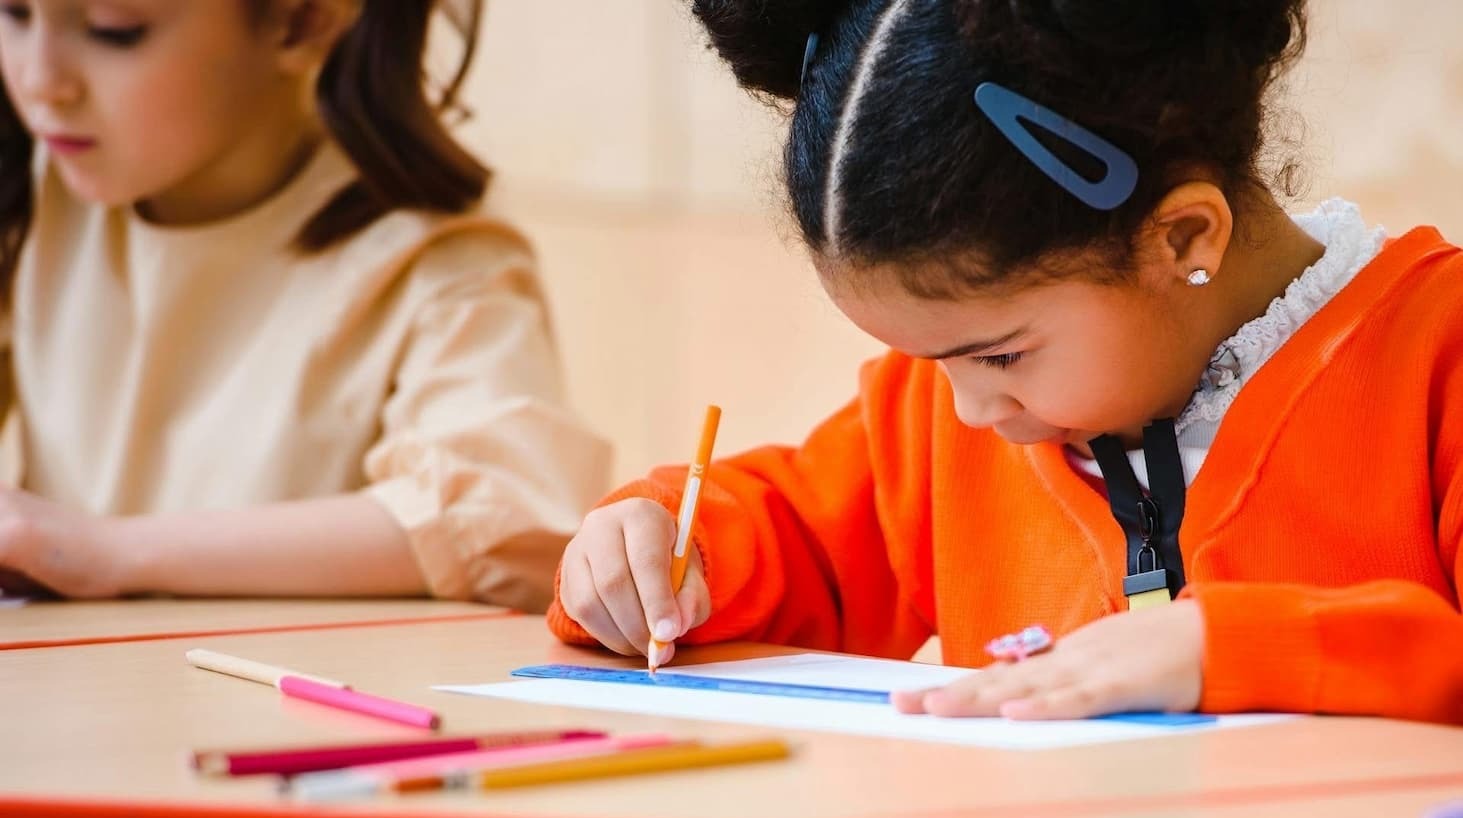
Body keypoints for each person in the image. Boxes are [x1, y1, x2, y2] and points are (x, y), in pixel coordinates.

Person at [549, 0, 1463, 723]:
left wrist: (1228, 650)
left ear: (1183, 237)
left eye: (998, 353)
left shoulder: (1436, 353)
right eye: (930, 360)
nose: (965, 411)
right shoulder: (948, 414)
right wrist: (664, 544)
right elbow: (800, 540)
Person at [0, 0, 609, 611]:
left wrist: (109, 553)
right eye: (14, 14)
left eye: (115, 32)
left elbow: (510, 518)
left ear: (303, 20)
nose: (40, 82)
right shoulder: (32, 189)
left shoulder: (436, 262)